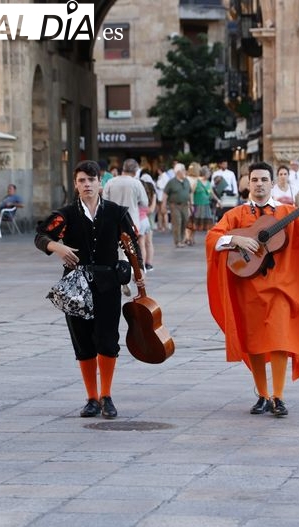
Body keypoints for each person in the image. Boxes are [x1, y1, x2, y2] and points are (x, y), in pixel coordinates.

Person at [205, 161, 299, 417]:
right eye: (255, 180)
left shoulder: (287, 212)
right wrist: (235, 239)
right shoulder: (236, 214)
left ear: (272, 183)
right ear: (248, 183)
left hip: (281, 287)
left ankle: (278, 396)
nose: (259, 184)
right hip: (247, 288)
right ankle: (262, 395)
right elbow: (213, 238)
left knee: (280, 338)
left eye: (264, 180)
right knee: (254, 342)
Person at [34, 160, 140, 419]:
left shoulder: (116, 212)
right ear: (76, 184)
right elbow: (40, 236)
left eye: (91, 180)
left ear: (100, 183)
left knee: (108, 340)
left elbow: (131, 243)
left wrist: (137, 275)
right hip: (75, 287)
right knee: (83, 342)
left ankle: (106, 395)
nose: (87, 185)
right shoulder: (66, 214)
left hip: (108, 285)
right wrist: (58, 247)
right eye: (82, 180)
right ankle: (91, 398)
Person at [103, 158, 148, 294]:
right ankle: (129, 275)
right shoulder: (136, 183)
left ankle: (121, 276)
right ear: (135, 170)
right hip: (131, 220)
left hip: (112, 221)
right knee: (131, 249)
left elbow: (103, 202)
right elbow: (144, 202)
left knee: (117, 250)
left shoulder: (111, 182)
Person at [161, 163, 192, 248]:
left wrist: (191, 203)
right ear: (178, 172)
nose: (185, 172)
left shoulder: (186, 181)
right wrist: (163, 204)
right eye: (183, 170)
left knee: (185, 221)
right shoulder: (171, 182)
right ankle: (177, 241)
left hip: (185, 205)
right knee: (177, 222)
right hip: (174, 205)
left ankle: (182, 239)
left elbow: (189, 192)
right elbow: (165, 194)